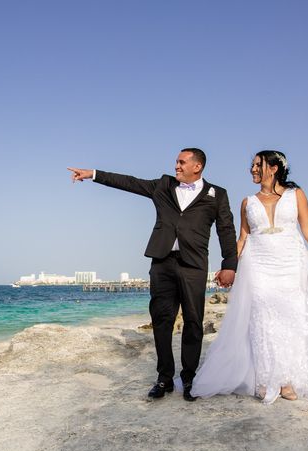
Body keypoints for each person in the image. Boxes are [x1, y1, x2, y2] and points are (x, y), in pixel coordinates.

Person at [68, 148, 238, 401]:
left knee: (193, 322)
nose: (176, 166)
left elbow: (226, 229)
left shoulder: (217, 194)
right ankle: (164, 378)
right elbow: (129, 183)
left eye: (181, 162)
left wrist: (229, 265)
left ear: (197, 167)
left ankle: (189, 378)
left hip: (194, 265)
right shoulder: (163, 185)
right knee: (162, 320)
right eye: (176, 162)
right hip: (162, 263)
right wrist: (93, 174)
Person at [190, 150, 308, 404]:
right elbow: (243, 238)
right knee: (262, 319)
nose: (253, 169)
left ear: (274, 168)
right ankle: (266, 378)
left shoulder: (296, 195)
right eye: (253, 165)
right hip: (257, 264)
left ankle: (287, 379)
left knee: (291, 318)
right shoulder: (248, 202)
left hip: (290, 263)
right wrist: (228, 266)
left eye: (258, 165)